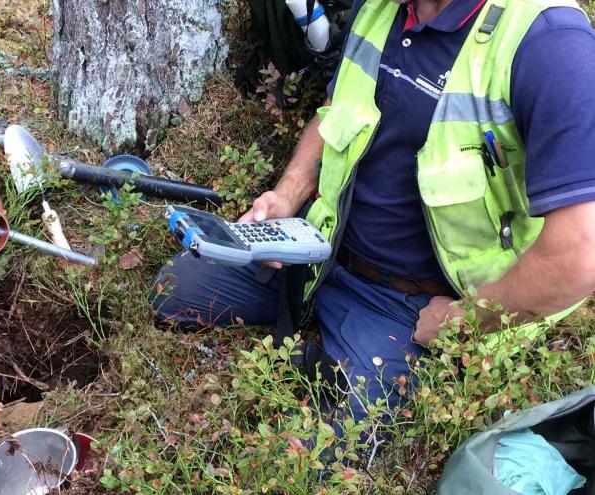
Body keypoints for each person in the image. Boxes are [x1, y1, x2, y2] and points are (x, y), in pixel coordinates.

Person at [150, 0, 595, 418]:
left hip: (415, 302)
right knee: (171, 291)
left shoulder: (550, 42)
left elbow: (578, 254)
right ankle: (319, 331)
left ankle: (342, 354)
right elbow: (334, 111)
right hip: (320, 251)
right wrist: (287, 195)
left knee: (327, 453)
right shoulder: (381, 8)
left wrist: (463, 321)